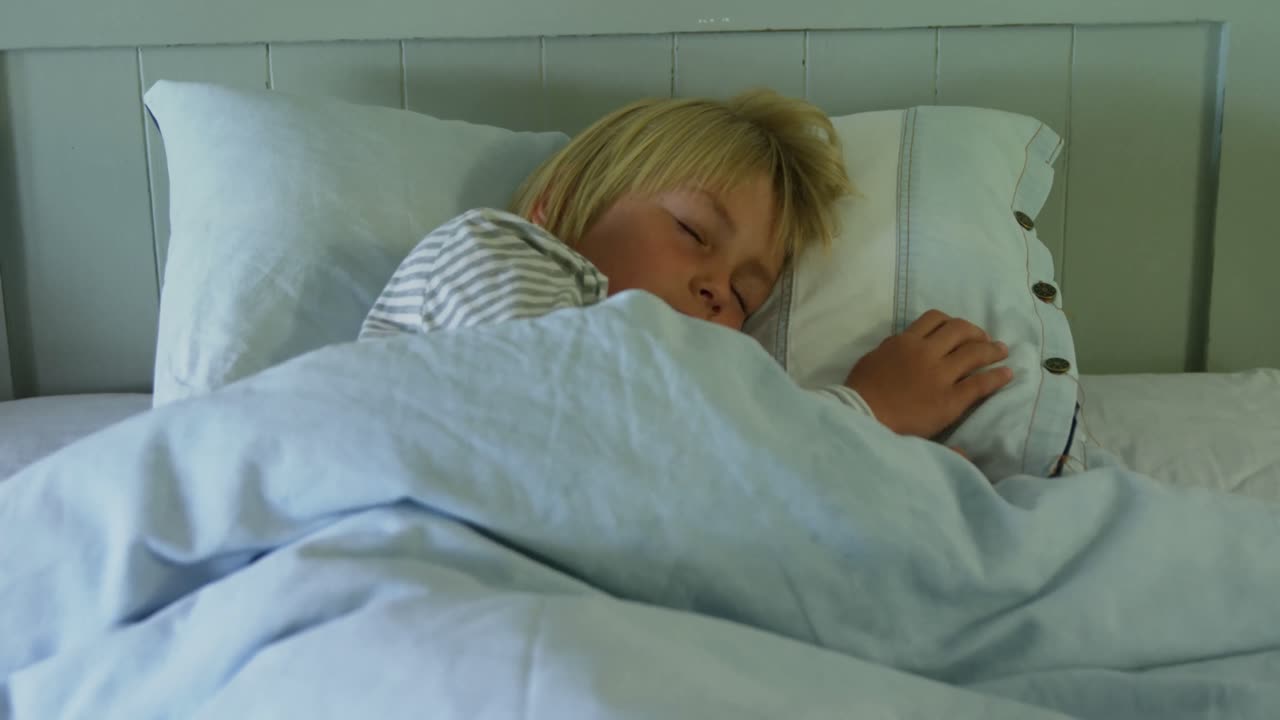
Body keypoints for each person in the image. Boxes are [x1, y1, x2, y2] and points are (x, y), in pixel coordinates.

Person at [361, 89, 1012, 443]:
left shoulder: (691, 382)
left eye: (745, 297)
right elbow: (572, 421)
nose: (715, 291)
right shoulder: (493, 249)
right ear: (557, 207)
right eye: (692, 230)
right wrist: (864, 413)